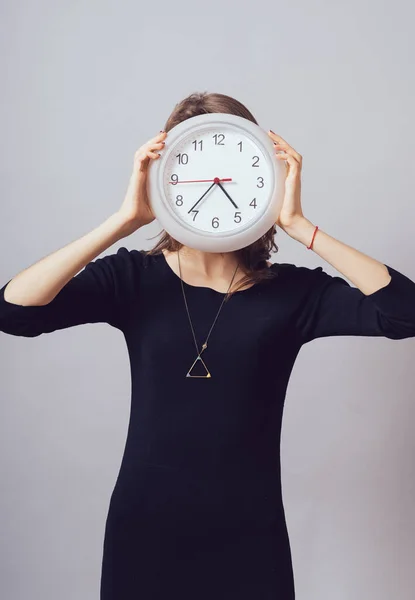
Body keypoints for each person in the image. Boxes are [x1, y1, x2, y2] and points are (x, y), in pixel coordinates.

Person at [1, 92, 415, 600]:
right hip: (145, 533)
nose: (220, 182)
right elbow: (14, 312)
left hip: (250, 538)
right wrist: (123, 222)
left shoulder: (293, 293)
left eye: (235, 171)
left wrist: (300, 227)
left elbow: (404, 313)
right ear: (164, 180)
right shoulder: (133, 279)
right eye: (195, 169)